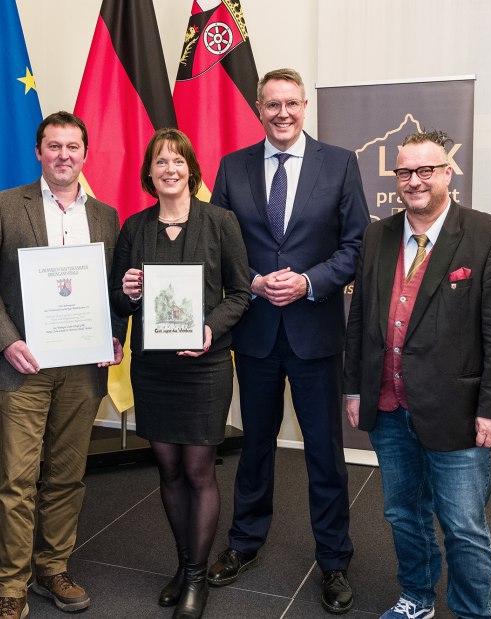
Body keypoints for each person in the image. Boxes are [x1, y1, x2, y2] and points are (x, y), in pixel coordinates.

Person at [344, 129, 491, 619]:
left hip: (459, 412)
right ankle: (417, 599)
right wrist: (355, 388)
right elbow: (361, 317)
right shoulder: (377, 235)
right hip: (387, 406)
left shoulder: (490, 236)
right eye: (405, 172)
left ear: (448, 173)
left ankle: (472, 613)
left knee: (464, 527)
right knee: (404, 515)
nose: (414, 181)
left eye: (426, 170)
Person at [210, 67, 370, 614]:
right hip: (254, 331)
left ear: (305, 107)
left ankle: (334, 560)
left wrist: (307, 281)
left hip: (315, 330)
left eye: (291, 104)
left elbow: (355, 245)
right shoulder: (232, 167)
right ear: (259, 109)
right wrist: (251, 280)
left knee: (324, 452)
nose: (282, 113)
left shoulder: (339, 163)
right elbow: (221, 241)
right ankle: (244, 543)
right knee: (254, 446)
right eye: (272, 104)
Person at [0, 111, 124, 619]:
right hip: (22, 367)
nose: (63, 155)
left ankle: (52, 567)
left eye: (72, 147)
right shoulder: (4, 205)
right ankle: (11, 589)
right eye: (53, 146)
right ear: (39, 152)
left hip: (81, 368)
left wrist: (114, 336)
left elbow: (112, 292)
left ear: (85, 154)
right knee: (16, 481)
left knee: (66, 475)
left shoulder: (106, 216)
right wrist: (7, 341)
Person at [111, 128, 250, 619]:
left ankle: (196, 576)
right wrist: (127, 292)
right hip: (153, 368)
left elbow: (241, 292)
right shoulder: (135, 227)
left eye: (178, 161)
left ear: (191, 169)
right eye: (160, 161)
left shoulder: (220, 222)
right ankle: (183, 562)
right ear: (148, 173)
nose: (169, 169)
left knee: (197, 469)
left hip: (204, 367)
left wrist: (210, 328)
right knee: (167, 469)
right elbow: (119, 302)